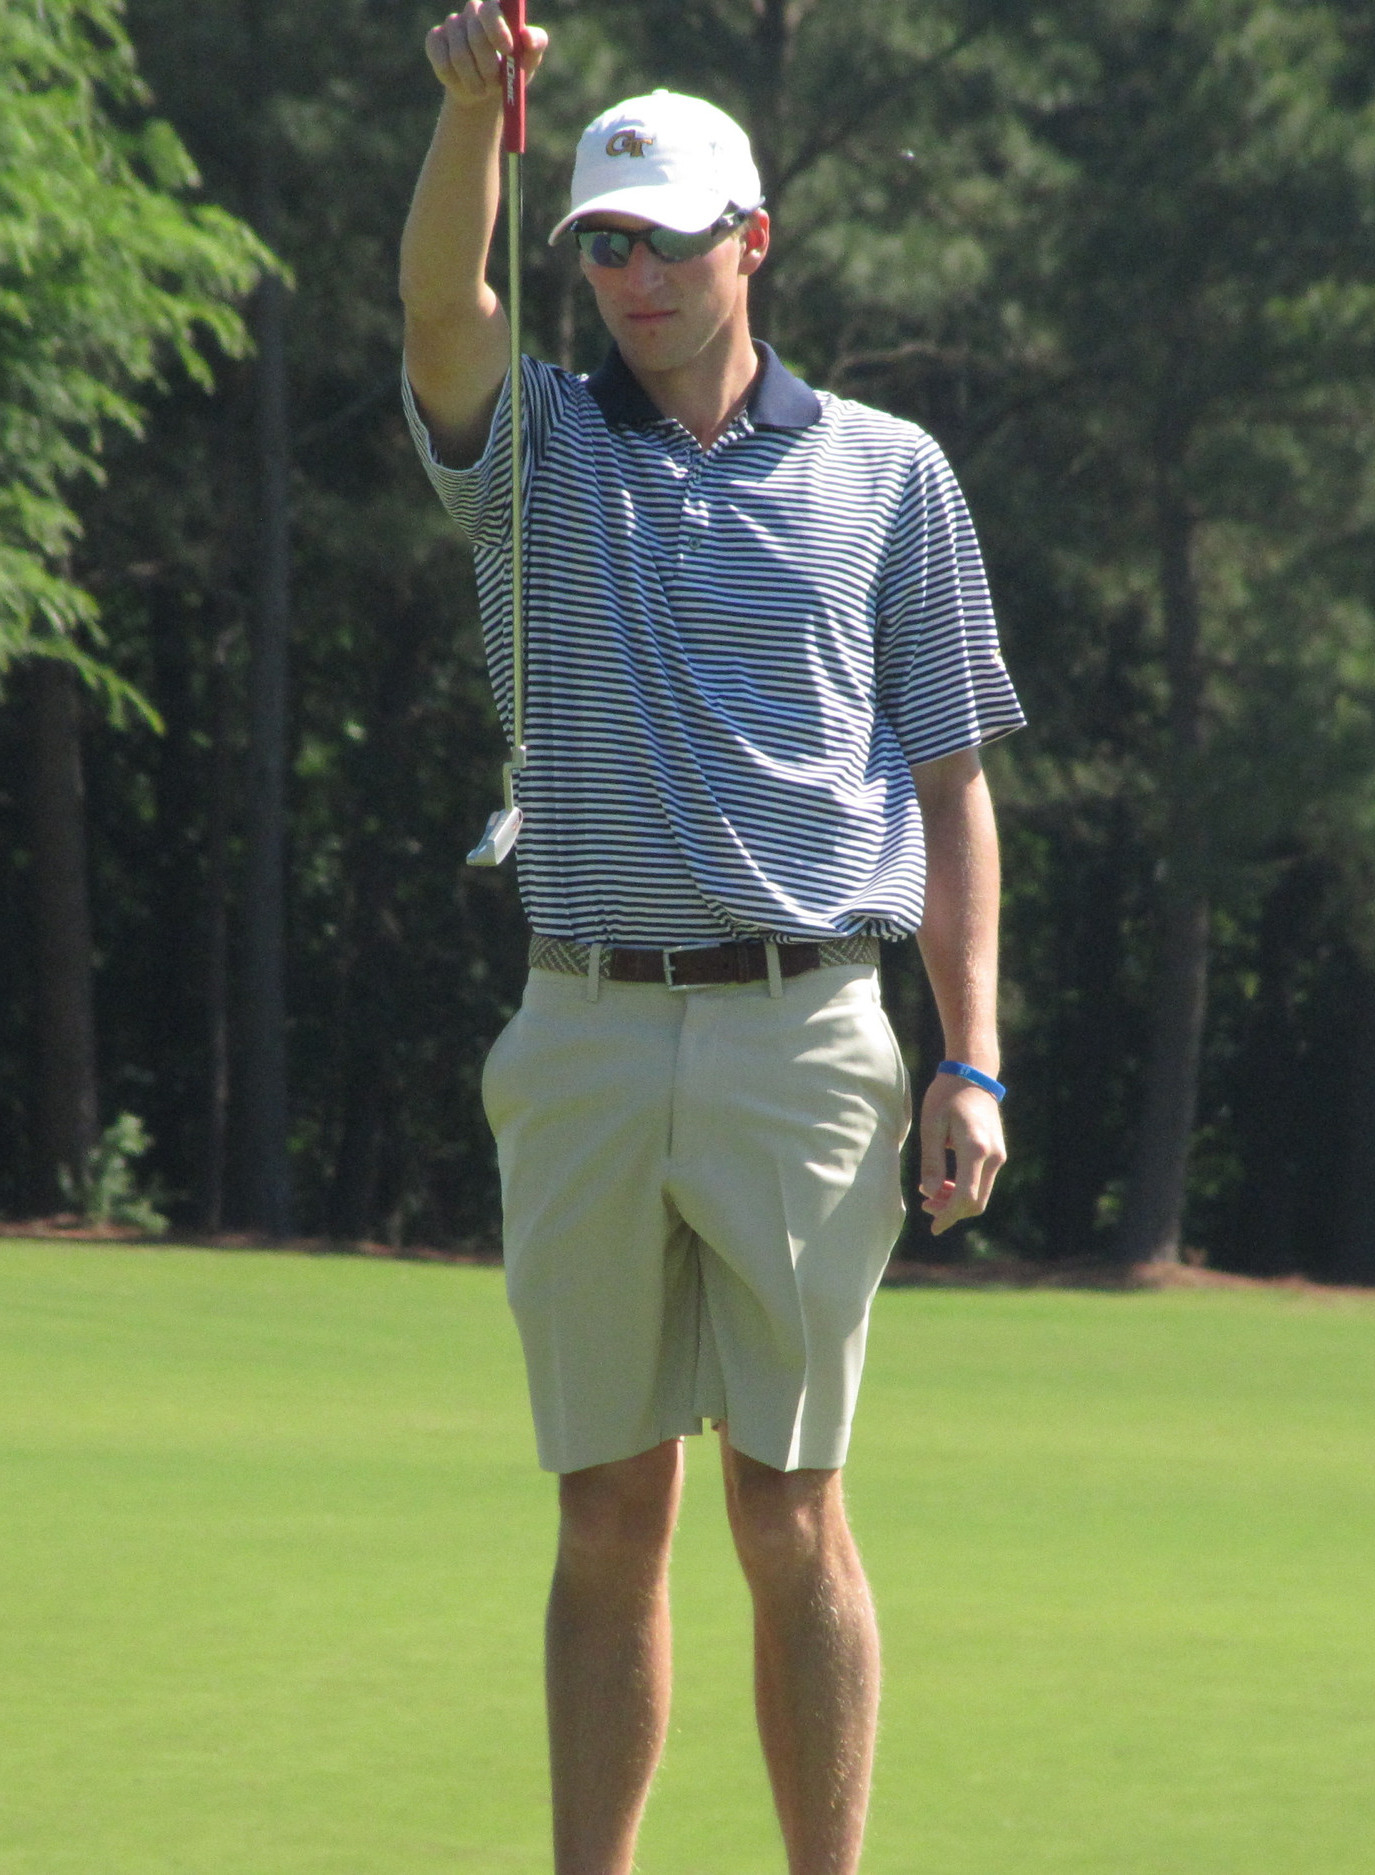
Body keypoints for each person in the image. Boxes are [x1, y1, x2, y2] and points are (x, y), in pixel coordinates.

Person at [400, 8, 1022, 1871]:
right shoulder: (537, 460)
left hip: (806, 1029)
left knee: (789, 1514)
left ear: (754, 240)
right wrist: (462, 126)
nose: (636, 275)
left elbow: (950, 784)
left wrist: (972, 1053)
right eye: (604, 241)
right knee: (606, 1514)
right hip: (585, 1024)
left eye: (671, 239)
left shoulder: (891, 475)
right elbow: (445, 310)